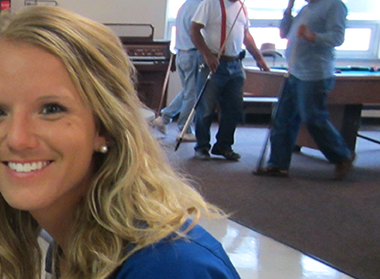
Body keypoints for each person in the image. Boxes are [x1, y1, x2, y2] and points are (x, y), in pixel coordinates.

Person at [0, 5, 257, 279]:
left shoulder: (167, 274)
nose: (17, 139)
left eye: (51, 109)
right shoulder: (74, 244)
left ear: (104, 126)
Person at [255, 0, 355, 179]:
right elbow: (284, 33)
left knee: (313, 117)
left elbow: (337, 38)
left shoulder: (334, 5)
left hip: (314, 74)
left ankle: (342, 155)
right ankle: (278, 164)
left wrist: (312, 36)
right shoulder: (305, 8)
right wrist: (288, 10)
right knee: (282, 119)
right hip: (294, 71)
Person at [190, 0, 270, 161]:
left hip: (235, 64)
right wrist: (207, 54)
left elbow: (246, 35)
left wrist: (259, 57)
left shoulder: (241, 6)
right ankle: (202, 147)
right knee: (206, 108)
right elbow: (194, 30)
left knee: (234, 109)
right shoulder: (210, 3)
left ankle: (223, 146)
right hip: (213, 63)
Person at [151, 0, 205, 142]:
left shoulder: (186, 5)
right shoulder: (200, 7)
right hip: (193, 54)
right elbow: (199, 34)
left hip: (181, 54)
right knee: (191, 94)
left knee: (188, 91)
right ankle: (184, 129)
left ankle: (165, 117)